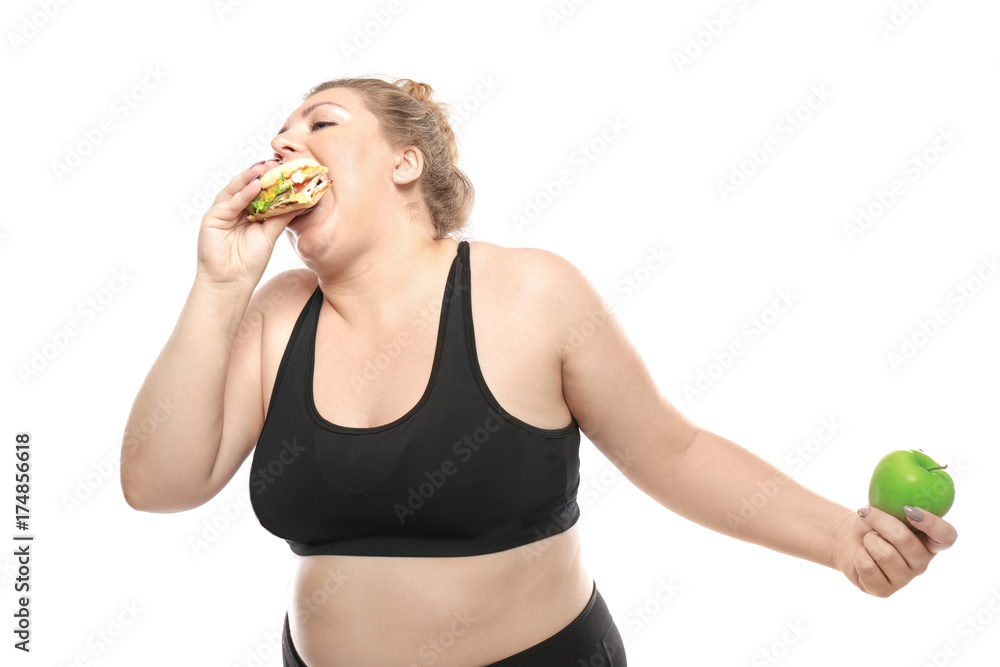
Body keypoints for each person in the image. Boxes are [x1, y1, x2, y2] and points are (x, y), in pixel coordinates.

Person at [119, 76, 957, 666]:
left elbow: (674, 452)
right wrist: (221, 280)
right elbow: (158, 483)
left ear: (405, 160)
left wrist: (846, 540)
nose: (282, 147)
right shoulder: (274, 315)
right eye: (278, 140)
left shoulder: (530, 290)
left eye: (320, 125)